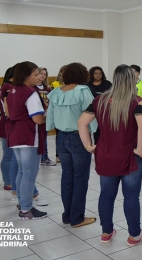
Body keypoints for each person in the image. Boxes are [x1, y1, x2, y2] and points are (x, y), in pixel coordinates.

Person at [78, 64, 142, 246]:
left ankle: (106, 232)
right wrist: (140, 149)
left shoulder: (99, 100)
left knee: (106, 195)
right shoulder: (136, 101)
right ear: (131, 80)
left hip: (106, 155)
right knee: (131, 196)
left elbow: (82, 122)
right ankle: (134, 235)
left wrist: (88, 146)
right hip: (129, 157)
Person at [46, 62, 97, 228]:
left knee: (67, 176)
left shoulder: (55, 93)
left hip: (61, 138)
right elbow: (91, 114)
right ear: (83, 75)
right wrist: (96, 135)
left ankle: (67, 215)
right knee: (80, 178)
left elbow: (50, 118)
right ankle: (77, 218)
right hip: (78, 138)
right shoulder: (82, 91)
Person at [5, 61, 48, 220]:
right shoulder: (30, 93)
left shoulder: (13, 91)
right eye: (35, 74)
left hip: (15, 135)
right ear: (25, 75)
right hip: (28, 136)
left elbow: (10, 113)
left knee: (22, 171)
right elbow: (37, 119)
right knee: (29, 173)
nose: (39, 77)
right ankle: (26, 209)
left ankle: (22, 202)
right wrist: (48, 114)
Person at [0, 66, 15, 191]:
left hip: (6, 124)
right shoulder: (8, 88)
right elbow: (10, 110)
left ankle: (9, 180)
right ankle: (8, 181)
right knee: (8, 155)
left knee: (10, 155)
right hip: (7, 124)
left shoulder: (5, 86)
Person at [87, 66, 112, 146]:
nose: (98, 75)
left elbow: (113, 95)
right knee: (95, 130)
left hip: (106, 110)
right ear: (91, 74)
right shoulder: (87, 85)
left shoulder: (107, 84)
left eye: (100, 73)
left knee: (105, 130)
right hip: (92, 110)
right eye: (96, 74)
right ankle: (96, 147)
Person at [36, 67, 56, 166]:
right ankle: (39, 157)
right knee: (38, 136)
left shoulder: (47, 89)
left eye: (45, 74)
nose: (43, 75)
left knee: (44, 136)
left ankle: (44, 157)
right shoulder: (32, 88)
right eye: (41, 73)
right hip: (37, 115)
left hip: (46, 114)